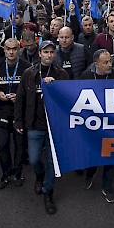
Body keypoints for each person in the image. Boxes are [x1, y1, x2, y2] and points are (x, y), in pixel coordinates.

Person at [14, 40, 69, 214]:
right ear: (39, 53)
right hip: (34, 125)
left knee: (53, 162)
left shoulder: (61, 74)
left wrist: (55, 87)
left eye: (52, 52)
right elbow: (20, 98)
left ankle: (48, 192)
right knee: (34, 159)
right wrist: (18, 120)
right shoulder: (28, 74)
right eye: (45, 52)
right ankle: (39, 175)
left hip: (54, 127)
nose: (49, 55)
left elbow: (68, 99)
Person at [79, 49, 114, 203]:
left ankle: (107, 186)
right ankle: (90, 173)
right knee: (94, 154)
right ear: (96, 63)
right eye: (105, 62)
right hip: (93, 125)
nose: (110, 65)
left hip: (112, 125)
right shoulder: (86, 77)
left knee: (110, 156)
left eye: (110, 61)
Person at [0, 38, 31, 189]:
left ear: (19, 50)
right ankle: (6, 173)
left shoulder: (27, 67)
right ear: (4, 50)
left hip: (20, 112)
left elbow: (31, 90)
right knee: (2, 144)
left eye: (14, 49)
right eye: (8, 49)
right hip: (2, 110)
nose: (11, 52)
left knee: (20, 145)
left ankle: (18, 173)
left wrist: (20, 97)